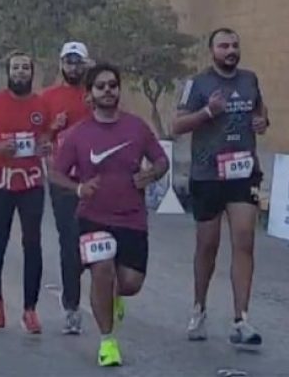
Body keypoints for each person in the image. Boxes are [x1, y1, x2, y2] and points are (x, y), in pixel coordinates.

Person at [49, 63, 168, 367]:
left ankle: (113, 296)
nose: (107, 91)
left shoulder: (136, 127)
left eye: (112, 85)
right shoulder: (78, 134)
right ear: (89, 95)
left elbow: (161, 160)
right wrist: (78, 189)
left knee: (130, 283)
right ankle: (107, 342)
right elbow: (55, 173)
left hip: (131, 217)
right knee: (102, 270)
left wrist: (151, 174)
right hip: (94, 216)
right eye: (100, 86)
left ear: (118, 89)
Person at [172, 28, 268, 348]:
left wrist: (262, 122)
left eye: (235, 45)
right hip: (208, 174)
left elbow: (260, 111)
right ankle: (199, 308)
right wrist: (208, 112)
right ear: (211, 50)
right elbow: (177, 125)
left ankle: (241, 318)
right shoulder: (197, 84)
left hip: (243, 173)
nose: (230, 50)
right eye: (224, 45)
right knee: (207, 246)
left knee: (244, 240)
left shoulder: (250, 79)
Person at [0, 51, 51, 334]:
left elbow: (46, 136)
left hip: (31, 182)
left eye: (25, 67)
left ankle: (30, 309)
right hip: (1, 182)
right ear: (8, 72)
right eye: (15, 67)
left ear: (32, 72)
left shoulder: (41, 104)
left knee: (33, 244)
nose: (20, 72)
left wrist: (45, 146)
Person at [40, 42, 93, 334]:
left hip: (97, 179)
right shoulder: (48, 97)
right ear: (61, 64)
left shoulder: (96, 93)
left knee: (103, 240)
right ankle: (71, 306)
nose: (73, 67)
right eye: (69, 62)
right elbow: (39, 141)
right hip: (64, 180)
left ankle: (110, 292)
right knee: (71, 243)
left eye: (78, 62)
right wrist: (53, 127)